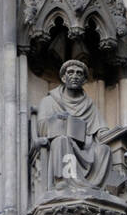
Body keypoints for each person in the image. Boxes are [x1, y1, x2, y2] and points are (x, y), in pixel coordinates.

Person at [33, 59, 117, 194]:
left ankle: (96, 188)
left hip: (86, 146)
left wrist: (117, 136)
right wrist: (58, 121)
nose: (75, 76)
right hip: (64, 144)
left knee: (104, 149)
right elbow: (41, 128)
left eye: (79, 73)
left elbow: (101, 131)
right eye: (70, 72)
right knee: (61, 140)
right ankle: (63, 181)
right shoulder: (49, 101)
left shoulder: (90, 106)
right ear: (63, 77)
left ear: (84, 80)